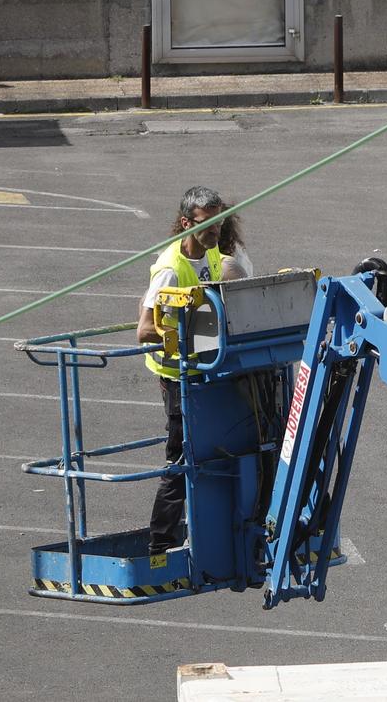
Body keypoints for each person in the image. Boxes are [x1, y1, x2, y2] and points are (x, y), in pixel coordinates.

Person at [137, 185, 254, 554]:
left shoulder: (214, 254)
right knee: (181, 456)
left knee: (216, 447)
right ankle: (161, 543)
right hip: (177, 376)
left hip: (204, 369)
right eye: (208, 224)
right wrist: (181, 337)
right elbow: (143, 329)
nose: (216, 230)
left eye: (219, 222)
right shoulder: (171, 269)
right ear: (187, 224)